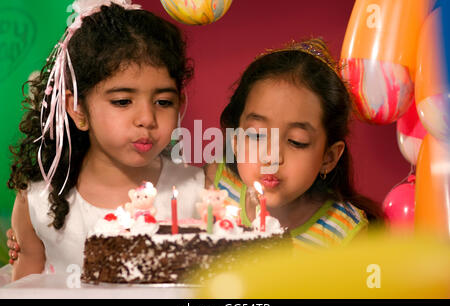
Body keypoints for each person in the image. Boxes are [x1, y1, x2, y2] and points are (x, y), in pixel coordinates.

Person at [3, 0, 204, 281]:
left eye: (163, 101)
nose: (147, 118)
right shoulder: (36, 198)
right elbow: (26, 281)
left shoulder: (198, 191)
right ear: (78, 109)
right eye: (122, 101)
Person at [206, 38, 384, 250]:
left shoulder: (345, 235)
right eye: (256, 135)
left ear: (329, 157)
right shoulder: (216, 186)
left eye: (296, 141)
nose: (271, 156)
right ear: (235, 141)